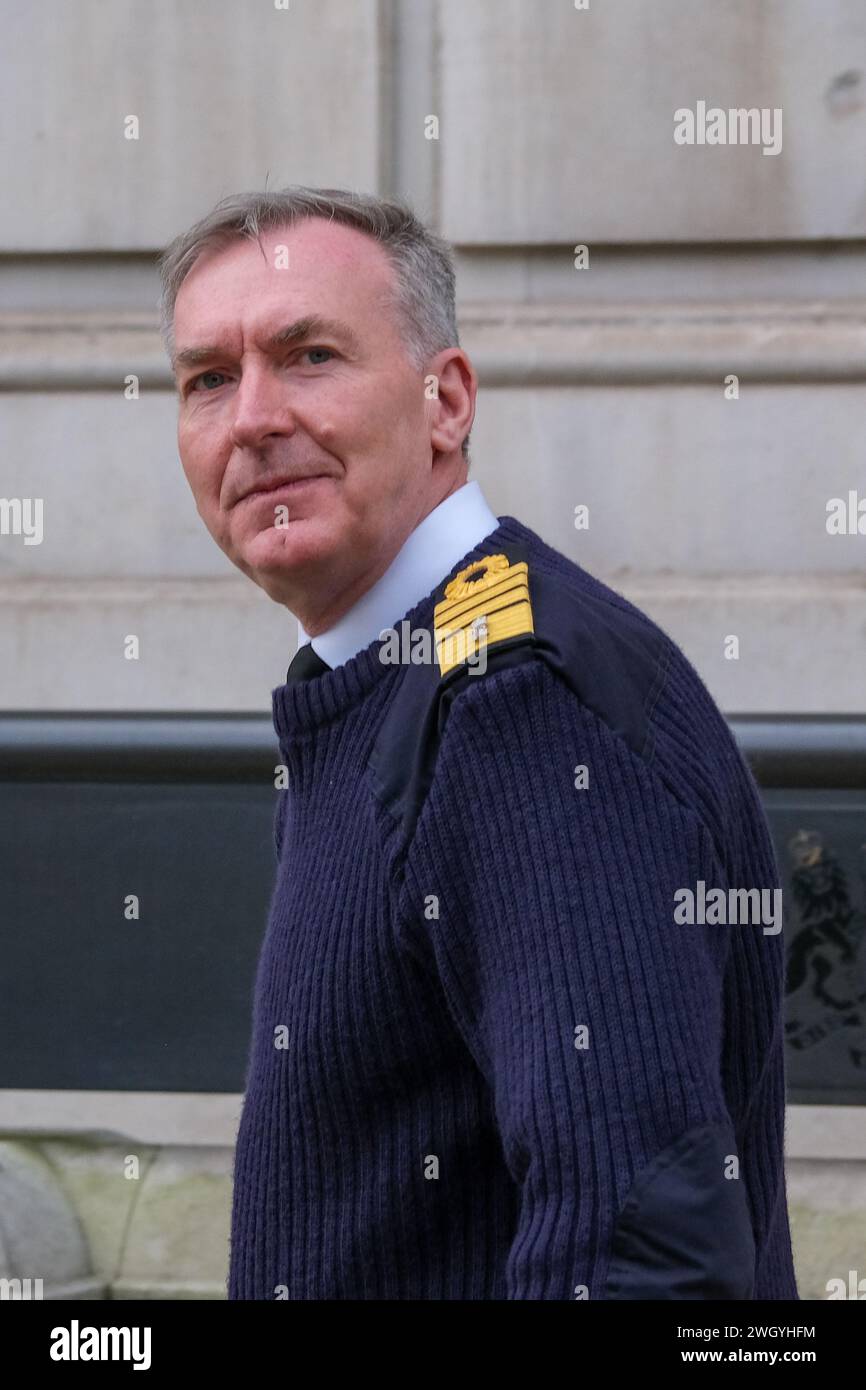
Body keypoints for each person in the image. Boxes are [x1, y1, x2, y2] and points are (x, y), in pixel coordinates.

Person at [158, 186, 799, 1300]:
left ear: (444, 400)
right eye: (209, 378)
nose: (252, 417)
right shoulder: (398, 674)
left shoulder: (513, 695)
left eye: (308, 355)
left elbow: (639, 1252)